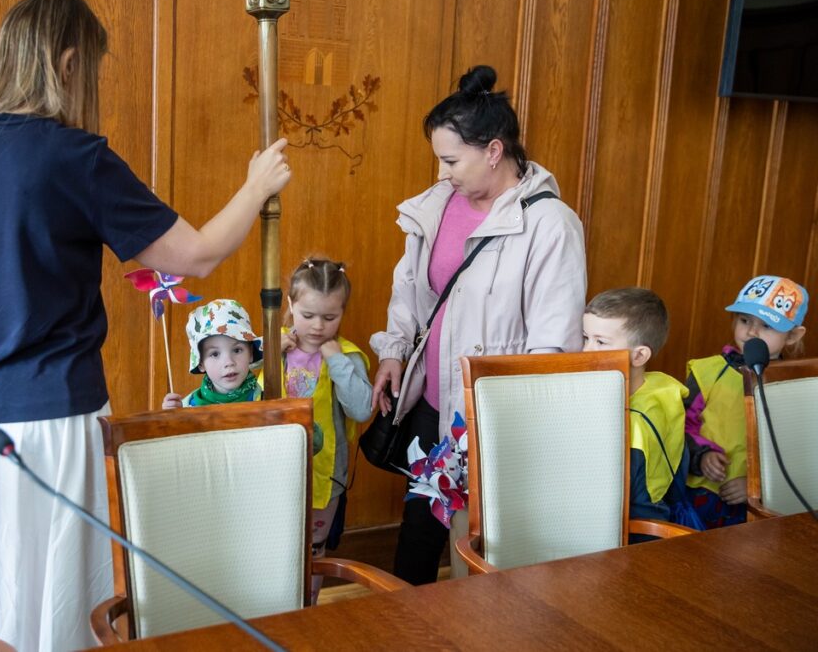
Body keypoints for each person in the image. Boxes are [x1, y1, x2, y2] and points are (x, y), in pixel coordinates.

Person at [0, 0, 290, 652]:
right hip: (51, 425)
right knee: (58, 612)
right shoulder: (74, 155)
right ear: (68, 64)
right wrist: (255, 185)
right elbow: (200, 255)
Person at [370, 64, 586, 585]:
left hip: (490, 416)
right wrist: (395, 350)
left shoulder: (550, 223)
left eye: (451, 160)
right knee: (418, 531)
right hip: (432, 404)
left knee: (483, 546)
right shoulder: (437, 204)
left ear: (493, 150)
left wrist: (510, 423)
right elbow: (411, 290)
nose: (443, 173)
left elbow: (553, 345)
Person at [266, 258, 372, 603]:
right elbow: (240, 396)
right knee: (274, 543)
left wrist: (337, 360)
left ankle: (307, 608)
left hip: (326, 475)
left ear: (342, 312)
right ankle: (275, 606)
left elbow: (361, 408)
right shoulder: (271, 349)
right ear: (290, 305)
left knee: (313, 548)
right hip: (272, 468)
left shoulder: (348, 357)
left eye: (330, 318)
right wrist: (263, 355)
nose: (317, 326)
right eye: (307, 315)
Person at [684, 275, 808, 528]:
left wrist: (756, 483)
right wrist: (702, 456)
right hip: (702, 495)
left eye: (766, 326)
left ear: (793, 336)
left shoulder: (796, 385)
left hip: (761, 505)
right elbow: (680, 425)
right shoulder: (706, 371)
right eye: (744, 320)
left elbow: (797, 450)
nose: (752, 331)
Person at [583, 288, 690, 538]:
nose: (586, 351)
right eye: (585, 337)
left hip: (631, 536)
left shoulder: (632, 425)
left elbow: (637, 510)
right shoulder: (662, 389)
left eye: (600, 342)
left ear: (639, 355)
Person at [161, 299, 264, 408]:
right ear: (200, 363)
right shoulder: (185, 409)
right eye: (215, 354)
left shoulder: (267, 401)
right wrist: (171, 419)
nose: (229, 362)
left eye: (237, 350)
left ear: (251, 353)